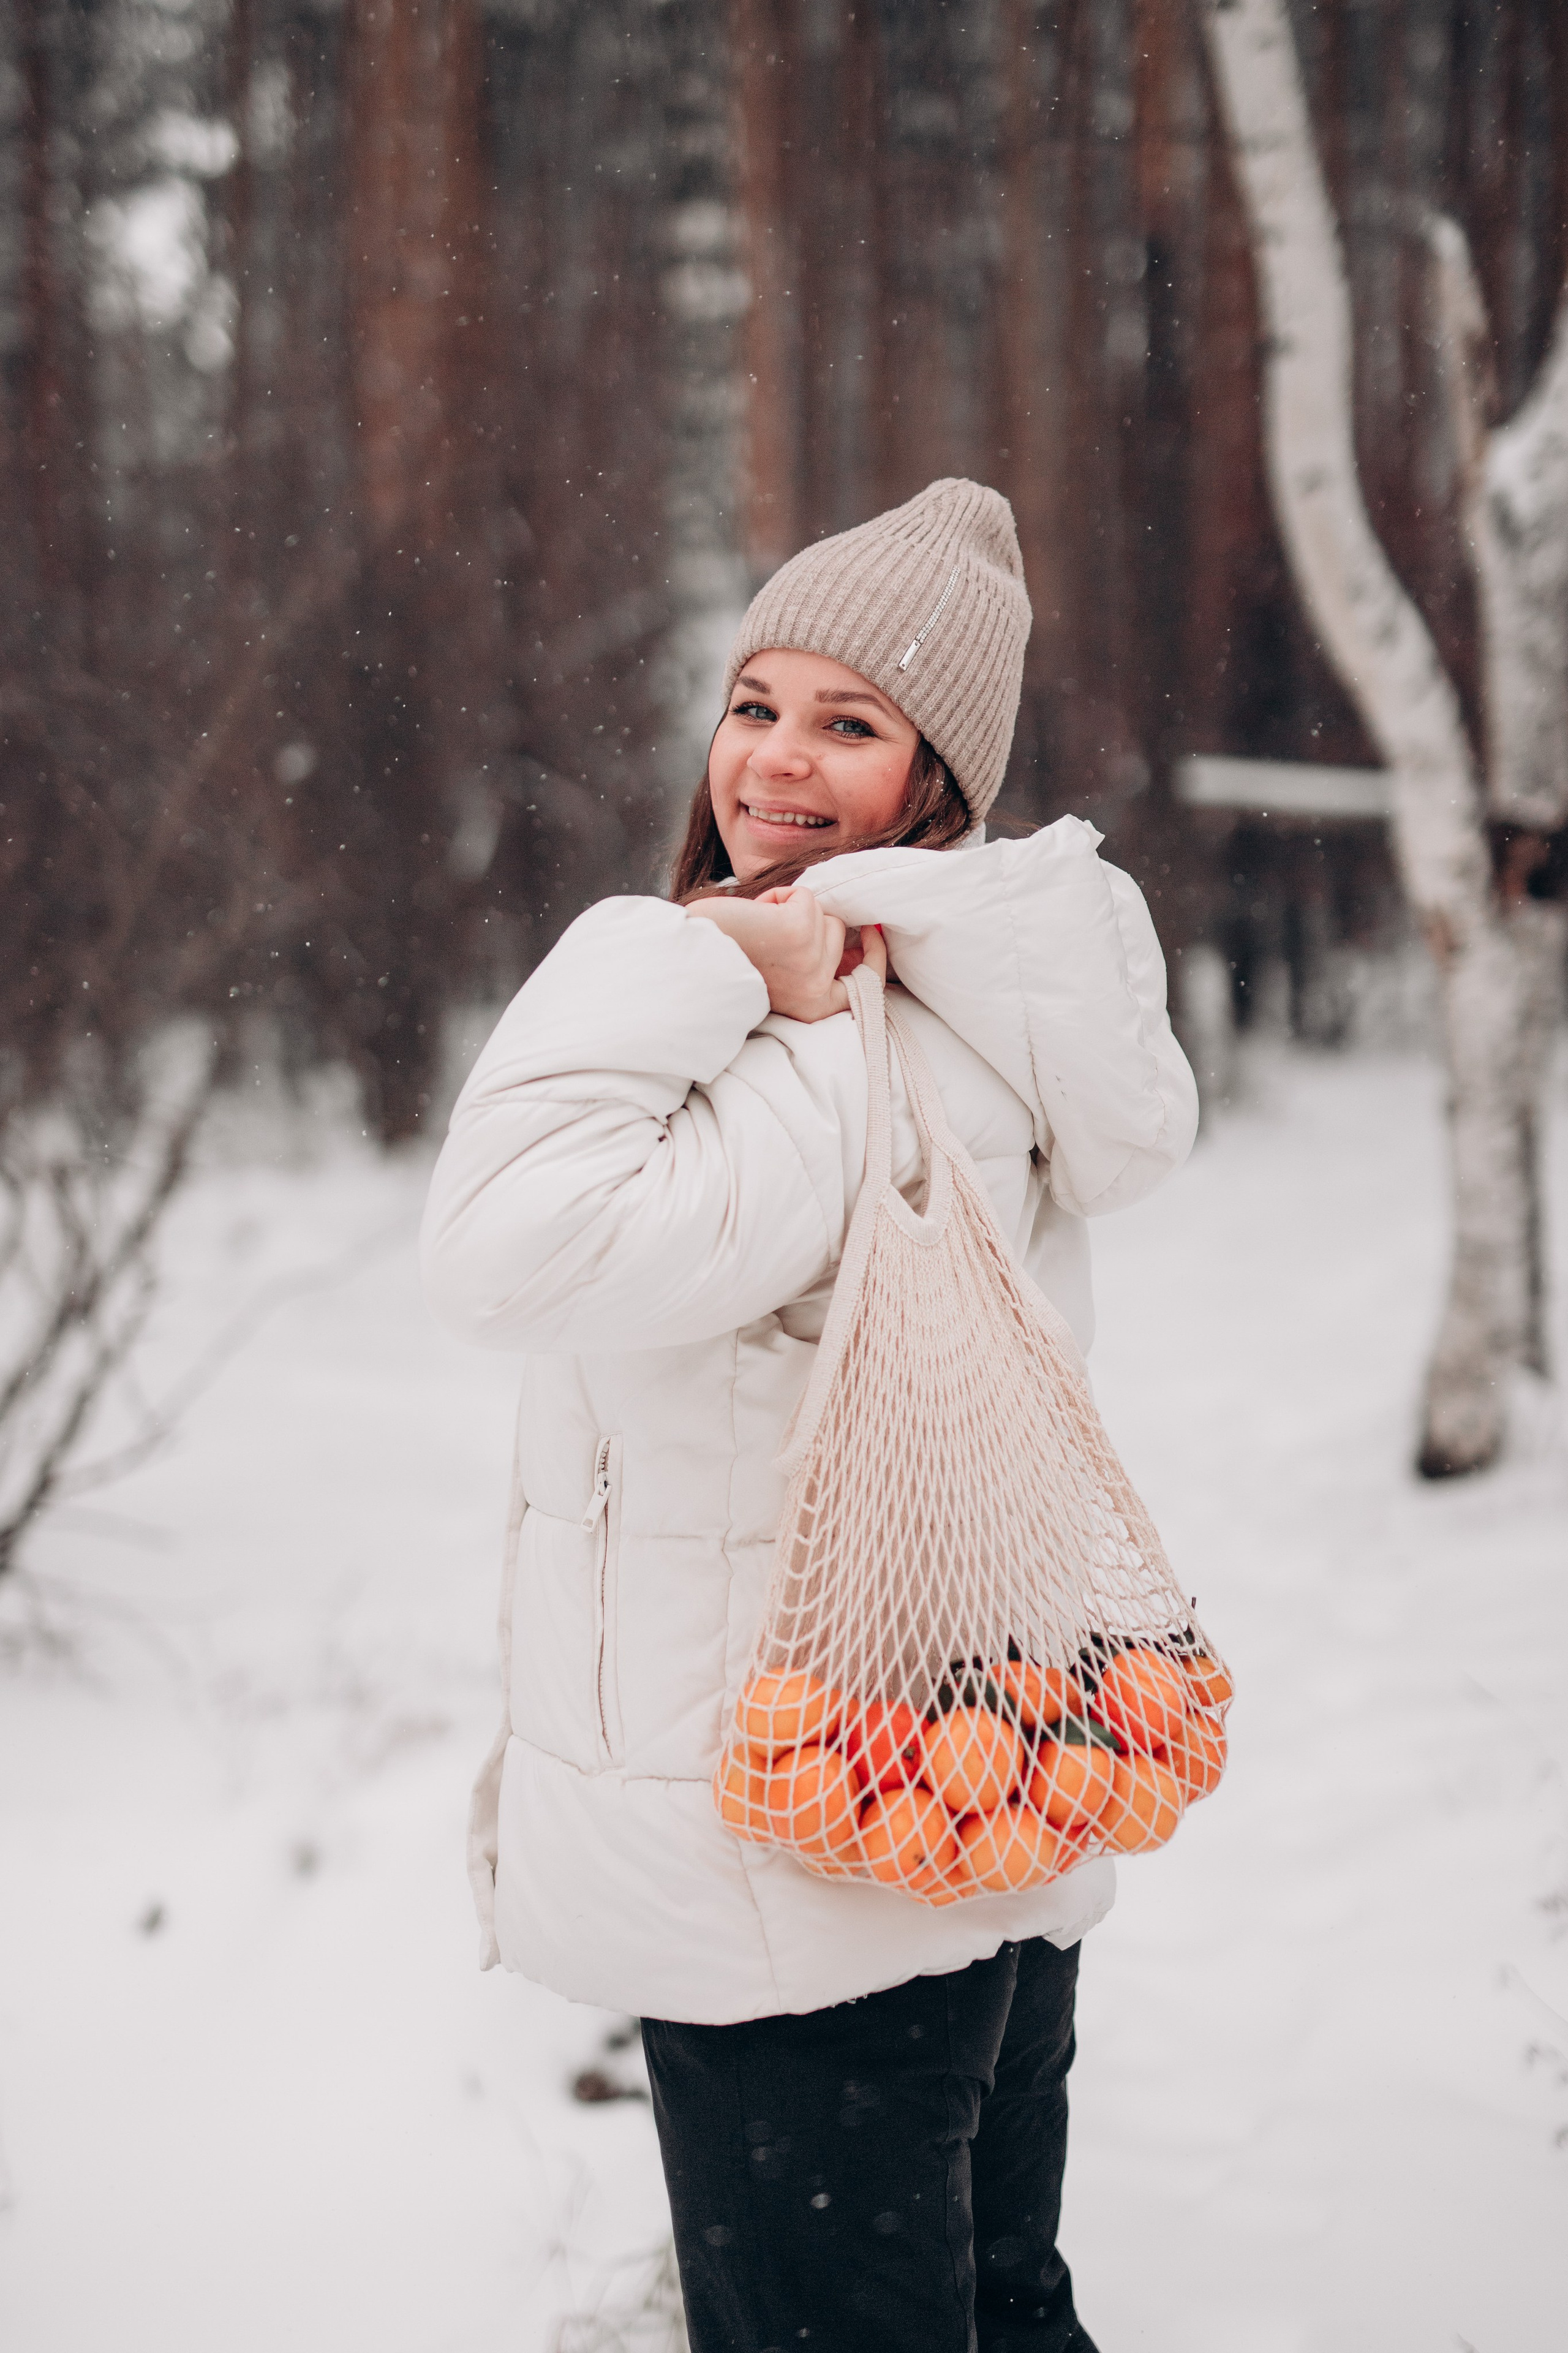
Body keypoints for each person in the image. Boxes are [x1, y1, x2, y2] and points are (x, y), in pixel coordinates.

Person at [420, 478, 1199, 2352]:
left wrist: (691, 955)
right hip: (962, 1819)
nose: (775, 760)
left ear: (942, 784)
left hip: (804, 1875)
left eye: (849, 724)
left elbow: (505, 1243)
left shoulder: (827, 1031)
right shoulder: (966, 994)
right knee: (1001, 2309)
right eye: (755, 700)